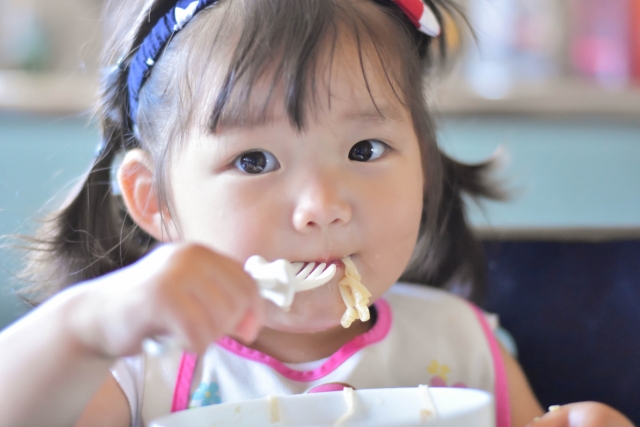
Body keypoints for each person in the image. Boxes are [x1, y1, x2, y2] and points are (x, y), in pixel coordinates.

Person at [0, 0, 634, 426]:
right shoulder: (140, 367)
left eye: (365, 149)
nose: (322, 207)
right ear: (155, 202)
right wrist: (87, 327)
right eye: (254, 161)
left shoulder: (462, 348)